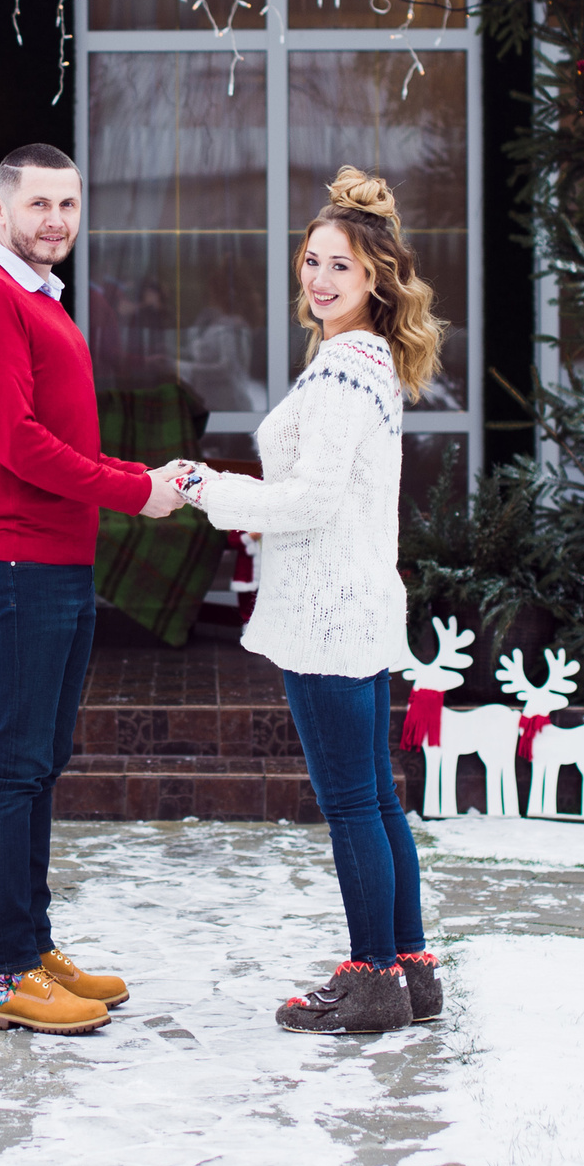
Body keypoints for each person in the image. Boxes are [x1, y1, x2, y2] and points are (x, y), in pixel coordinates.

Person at [174, 167, 445, 1034]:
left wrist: (209, 490)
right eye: (313, 262)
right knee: (375, 795)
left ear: (376, 280)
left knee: (353, 803)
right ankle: (408, 965)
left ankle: (371, 980)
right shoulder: (367, 363)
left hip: (329, 615)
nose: (321, 280)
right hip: (357, 605)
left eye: (342, 267)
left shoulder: (341, 374)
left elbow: (311, 501)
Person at [0, 141, 194, 1036]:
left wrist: (138, 472)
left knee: (41, 765)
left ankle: (31, 947)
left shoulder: (37, 300)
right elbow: (16, 445)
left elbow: (63, 440)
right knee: (11, 768)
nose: (56, 221)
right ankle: (4, 975)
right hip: (16, 564)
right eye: (39, 204)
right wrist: (133, 491)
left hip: (56, 562)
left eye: (69, 206)